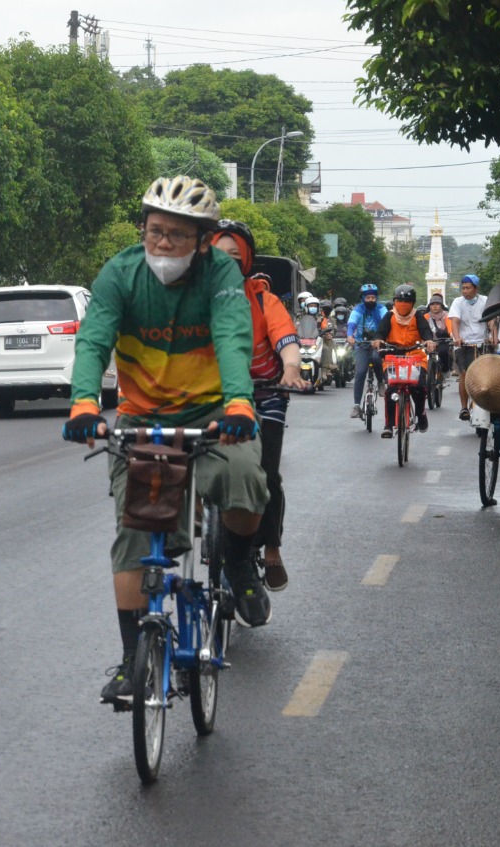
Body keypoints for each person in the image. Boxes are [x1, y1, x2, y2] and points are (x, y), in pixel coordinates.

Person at [62, 176, 271, 705]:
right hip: (143, 419)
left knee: (245, 482)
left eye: (177, 236)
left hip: (216, 413)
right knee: (137, 533)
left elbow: (231, 336)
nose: (162, 245)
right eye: (155, 232)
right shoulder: (121, 274)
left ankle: (242, 559)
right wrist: (85, 401)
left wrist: (241, 403)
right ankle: (134, 661)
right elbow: (93, 339)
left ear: (202, 242)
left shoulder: (222, 274)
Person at [211, 220, 309, 592]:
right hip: (212, 397)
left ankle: (271, 550)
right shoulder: (192, 300)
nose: (227, 263)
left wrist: (289, 368)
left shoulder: (264, 300)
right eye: (219, 256)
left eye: (236, 256)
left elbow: (287, 342)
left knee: (265, 474)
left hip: (265, 394)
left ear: (248, 260)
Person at [372, 284, 436, 437]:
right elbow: (380, 331)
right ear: (394, 302)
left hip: (415, 357)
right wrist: (378, 340)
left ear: (412, 303)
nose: (402, 305)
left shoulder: (417, 316)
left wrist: (429, 341)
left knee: (418, 387)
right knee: (391, 390)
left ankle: (420, 413)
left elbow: (426, 331)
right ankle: (388, 424)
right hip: (393, 356)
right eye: (399, 301)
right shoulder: (389, 316)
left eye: (406, 302)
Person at [447, 274, 497, 420]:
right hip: (464, 344)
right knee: (464, 374)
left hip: (482, 343)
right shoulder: (457, 302)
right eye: (463, 288)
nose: (465, 291)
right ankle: (464, 407)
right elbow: (455, 321)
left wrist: (493, 336)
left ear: (476, 289)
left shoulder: (486, 301)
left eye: (468, 288)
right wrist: (457, 338)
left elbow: (491, 321)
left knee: (486, 375)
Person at [346, 283, 389, 418]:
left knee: (377, 359)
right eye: (368, 297)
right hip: (361, 344)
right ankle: (356, 405)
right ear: (363, 298)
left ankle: (381, 382)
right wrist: (350, 336)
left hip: (377, 343)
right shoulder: (358, 310)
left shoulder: (381, 309)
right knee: (360, 372)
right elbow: (351, 324)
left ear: (376, 298)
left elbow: (387, 322)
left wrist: (382, 338)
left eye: (373, 297)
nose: (370, 300)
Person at [420, 293, 453, 378]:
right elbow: (421, 330)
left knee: (443, 352)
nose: (435, 306)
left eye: (437, 304)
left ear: (441, 305)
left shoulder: (447, 315)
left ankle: (445, 369)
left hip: (443, 340)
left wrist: (452, 334)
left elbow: (450, 328)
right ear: (429, 306)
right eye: (432, 304)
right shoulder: (425, 316)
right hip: (429, 340)